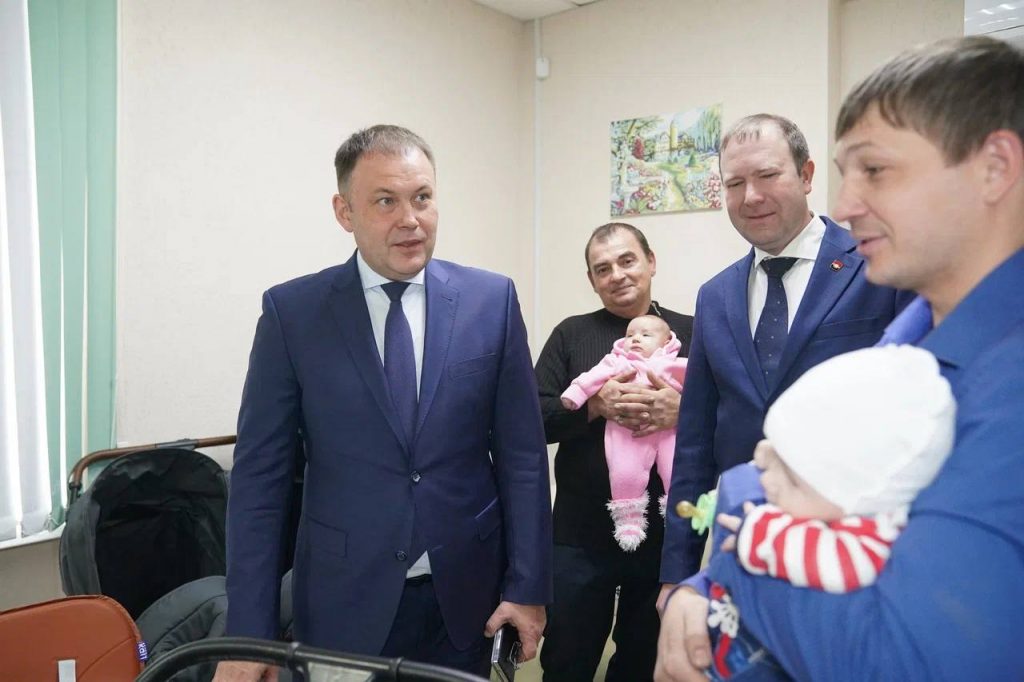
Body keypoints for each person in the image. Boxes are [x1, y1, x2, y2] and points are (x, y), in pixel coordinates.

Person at [656, 36, 1024, 681]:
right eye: (734, 183)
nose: (847, 205)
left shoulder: (1003, 373)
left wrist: (740, 512)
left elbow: (905, 657)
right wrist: (691, 583)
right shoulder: (913, 329)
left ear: (994, 168)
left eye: (875, 170)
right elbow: (698, 438)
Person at [216, 125, 552, 681]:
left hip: (467, 600)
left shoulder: (490, 301)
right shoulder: (292, 314)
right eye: (385, 201)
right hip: (342, 605)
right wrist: (249, 634)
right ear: (344, 212)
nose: (410, 219)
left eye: (422, 197)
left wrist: (528, 586)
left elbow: (523, 459)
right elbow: (260, 481)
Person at [658, 114, 910, 598]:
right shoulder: (715, 296)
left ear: (807, 175)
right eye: (735, 183)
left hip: (855, 555)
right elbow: (695, 444)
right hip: (740, 553)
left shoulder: (876, 266)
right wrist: (677, 575)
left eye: (768, 175)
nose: (751, 196)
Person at [694, 345, 955, 680]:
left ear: (854, 499)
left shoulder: (874, 532)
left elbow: (844, 563)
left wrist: (758, 534)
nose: (766, 483)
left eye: (793, 480)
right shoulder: (827, 499)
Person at [535, 223, 693, 681]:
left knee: (643, 661)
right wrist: (594, 407)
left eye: (627, 261)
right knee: (567, 659)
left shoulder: (692, 332)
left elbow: (728, 412)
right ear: (592, 280)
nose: (617, 275)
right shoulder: (571, 334)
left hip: (663, 535)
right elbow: (533, 417)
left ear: (651, 262)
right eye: (602, 269)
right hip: (579, 534)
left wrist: (681, 410)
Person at [560, 315, 687, 551]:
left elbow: (704, 387)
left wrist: (686, 405)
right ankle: (628, 521)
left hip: (669, 434)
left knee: (676, 471)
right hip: (626, 433)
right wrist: (575, 394)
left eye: (645, 335)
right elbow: (590, 378)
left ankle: (679, 516)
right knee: (624, 473)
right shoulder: (617, 362)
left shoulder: (677, 364)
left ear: (667, 341)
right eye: (630, 335)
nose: (636, 339)